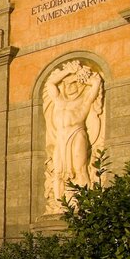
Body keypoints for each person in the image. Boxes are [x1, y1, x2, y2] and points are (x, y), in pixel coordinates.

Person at [43, 59, 104, 207]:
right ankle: (59, 205)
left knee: (80, 169)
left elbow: (96, 83)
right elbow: (50, 83)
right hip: (61, 140)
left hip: (77, 135)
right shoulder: (58, 100)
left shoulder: (84, 101)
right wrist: (69, 72)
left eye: (74, 84)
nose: (71, 86)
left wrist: (79, 75)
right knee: (58, 172)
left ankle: (87, 203)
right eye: (68, 84)